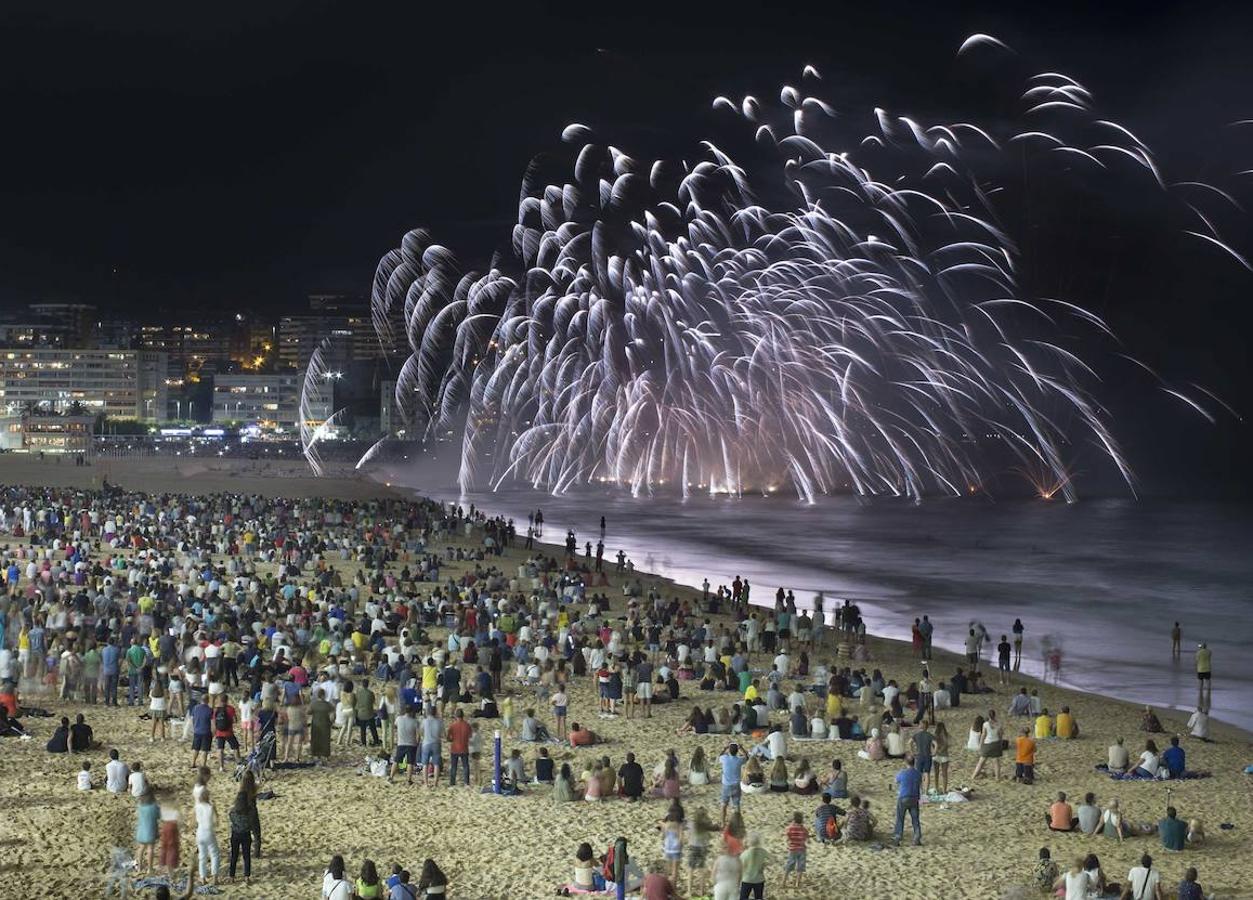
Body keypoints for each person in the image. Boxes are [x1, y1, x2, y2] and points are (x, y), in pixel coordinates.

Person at [893, 754, 922, 846]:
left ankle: (898, 836)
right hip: (914, 797)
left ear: (906, 762)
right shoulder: (918, 773)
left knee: (900, 818)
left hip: (904, 797)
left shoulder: (903, 772)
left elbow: (896, 781)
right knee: (915, 819)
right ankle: (917, 836)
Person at [195, 787, 221, 886]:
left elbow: (193, 820)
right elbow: (216, 821)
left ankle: (203, 878)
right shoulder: (210, 807)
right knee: (214, 854)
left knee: (202, 856)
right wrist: (215, 810)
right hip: (209, 832)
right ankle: (215, 878)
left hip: (200, 832)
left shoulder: (197, 806)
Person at [718, 742, 746, 827]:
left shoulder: (724, 758)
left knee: (724, 804)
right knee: (736, 805)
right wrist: (742, 748)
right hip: (736, 785)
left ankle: (723, 823)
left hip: (726, 785)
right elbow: (746, 757)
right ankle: (737, 823)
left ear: (729, 751)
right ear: (737, 751)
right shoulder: (739, 760)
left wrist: (724, 748)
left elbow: (719, 756)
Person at [228, 789, 252, 884]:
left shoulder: (233, 811)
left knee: (234, 856)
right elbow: (251, 822)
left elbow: (230, 817)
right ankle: (246, 876)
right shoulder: (250, 811)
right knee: (246, 856)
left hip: (236, 834)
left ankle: (232, 876)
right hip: (246, 834)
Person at [971, 710, 1003, 780]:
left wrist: (980, 745)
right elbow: (1000, 735)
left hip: (987, 744)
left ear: (988, 716)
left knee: (981, 761)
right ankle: (997, 777)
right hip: (996, 743)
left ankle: (973, 776)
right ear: (995, 715)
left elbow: (983, 735)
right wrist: (1000, 743)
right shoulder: (998, 724)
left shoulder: (985, 724)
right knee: (996, 762)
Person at [738, 831, 768, 899]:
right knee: (758, 897)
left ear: (748, 843)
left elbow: (740, 867)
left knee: (743, 897)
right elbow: (773, 860)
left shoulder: (744, 854)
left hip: (747, 879)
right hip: (759, 880)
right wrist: (764, 864)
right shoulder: (762, 851)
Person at [783, 811, 807, 888]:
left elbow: (787, 836)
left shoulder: (790, 828)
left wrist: (789, 841)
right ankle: (797, 883)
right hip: (802, 849)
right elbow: (806, 836)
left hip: (792, 849)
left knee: (789, 866)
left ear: (793, 819)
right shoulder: (803, 828)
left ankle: (784, 882)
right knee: (800, 867)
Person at [1195, 642, 1211, 710]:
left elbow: (1196, 660)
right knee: (1207, 681)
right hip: (1207, 668)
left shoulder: (1198, 652)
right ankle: (1208, 691)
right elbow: (1210, 656)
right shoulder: (1209, 652)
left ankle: (1201, 691)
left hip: (1200, 669)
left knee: (1200, 681)